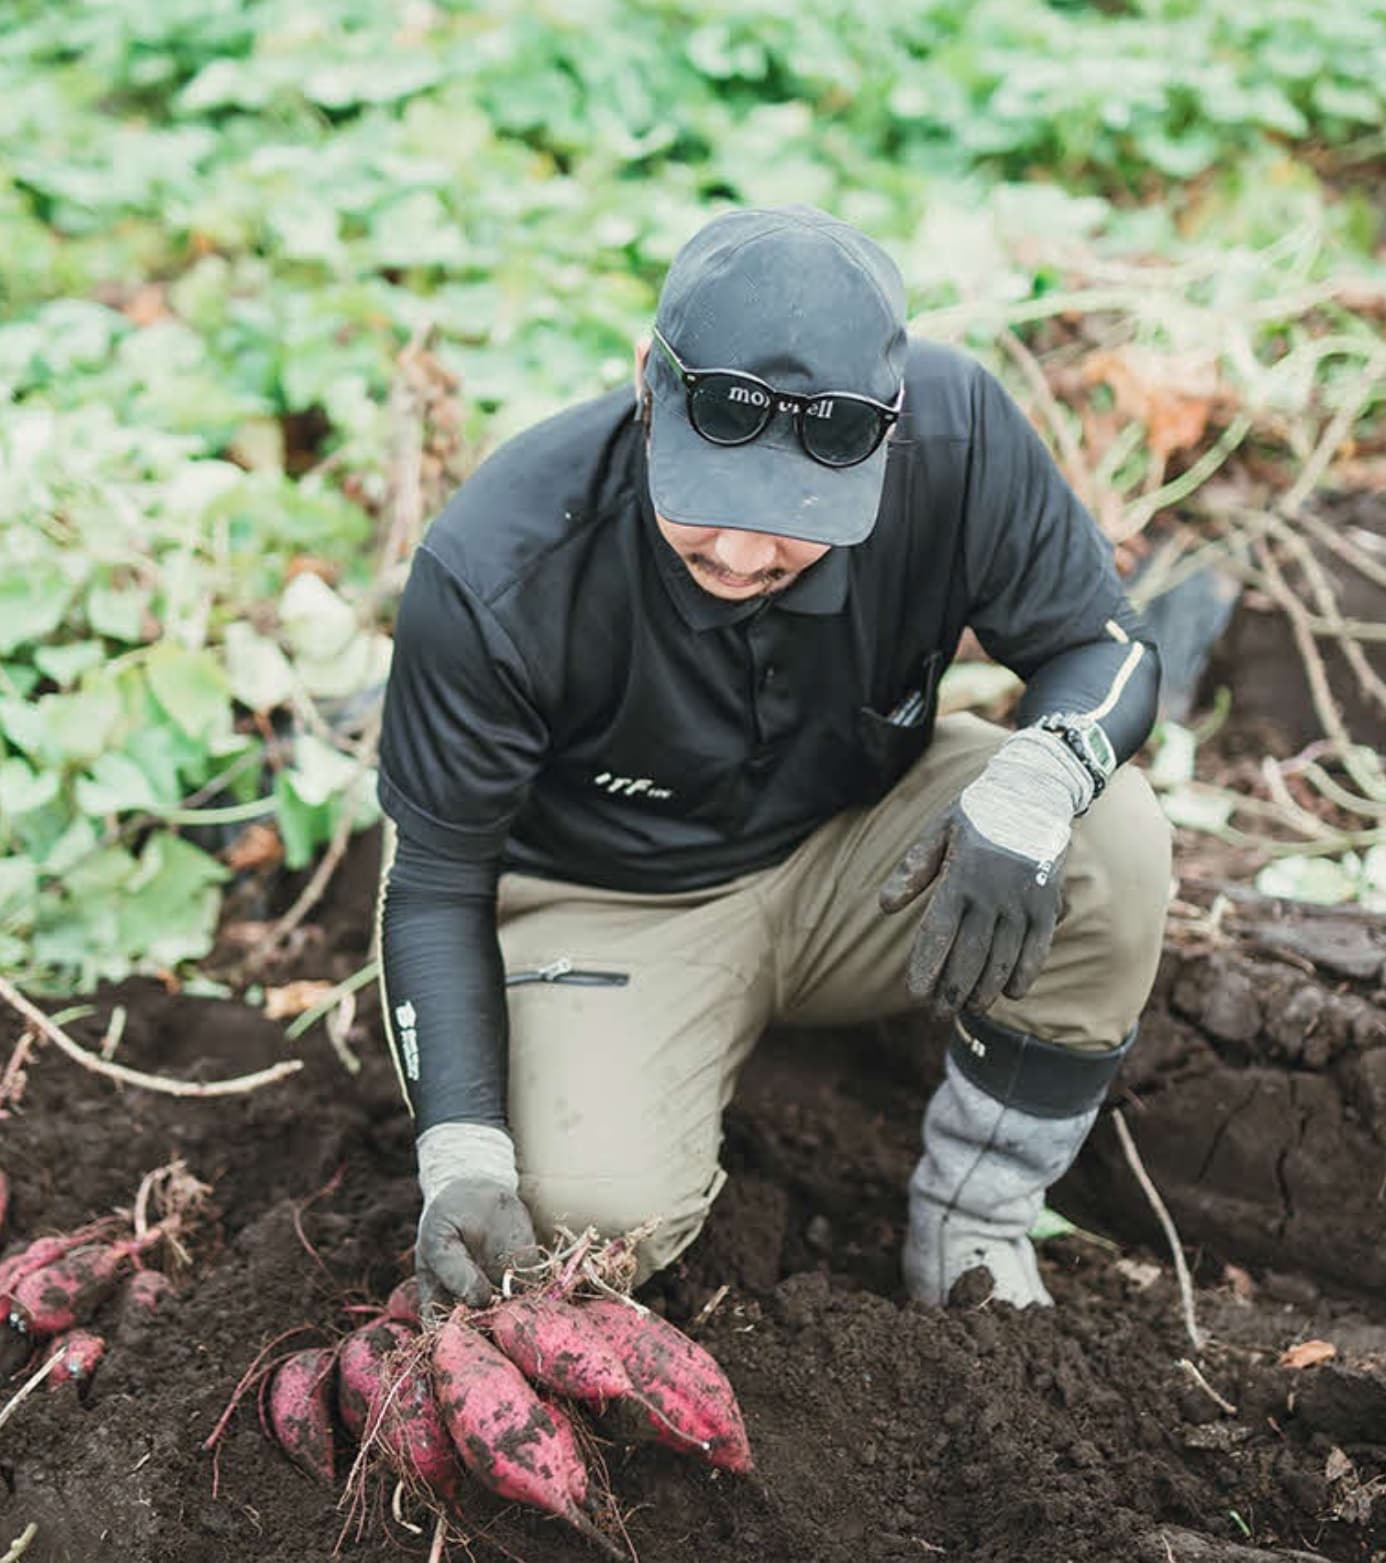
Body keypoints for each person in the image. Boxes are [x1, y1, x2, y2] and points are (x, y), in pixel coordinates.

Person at [374, 205, 1171, 1316]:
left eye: (803, 517)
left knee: (1109, 837)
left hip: (864, 850)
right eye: (710, 503)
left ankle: (976, 1223)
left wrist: (1039, 783)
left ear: (886, 432)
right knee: (569, 1225)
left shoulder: (958, 435)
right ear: (649, 386)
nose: (746, 553)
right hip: (611, 902)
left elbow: (1104, 646)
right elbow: (431, 885)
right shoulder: (500, 566)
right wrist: (458, 1150)